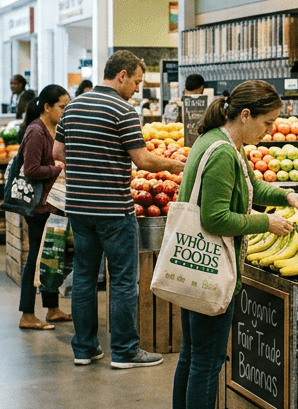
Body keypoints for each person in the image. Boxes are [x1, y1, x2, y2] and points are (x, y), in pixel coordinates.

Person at [171, 80, 298, 409]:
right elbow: (215, 218)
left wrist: (286, 196)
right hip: (213, 270)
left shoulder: (220, 143)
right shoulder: (222, 153)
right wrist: (266, 223)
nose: (269, 131)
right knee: (207, 361)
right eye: (267, 123)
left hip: (195, 269)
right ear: (245, 115)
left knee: (192, 355)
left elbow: (250, 188)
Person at [53, 50, 183, 368]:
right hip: (113, 209)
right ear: (121, 76)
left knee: (84, 277)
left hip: (79, 207)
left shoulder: (73, 107)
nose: (137, 89)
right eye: (136, 82)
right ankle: (125, 351)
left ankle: (84, 349)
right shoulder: (123, 111)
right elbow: (143, 160)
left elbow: (57, 152)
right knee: (124, 280)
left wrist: (86, 167)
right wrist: (177, 165)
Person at [15, 85, 71, 331]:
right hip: (39, 207)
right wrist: (57, 169)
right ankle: (27, 314)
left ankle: (52, 309)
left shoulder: (56, 128)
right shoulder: (36, 131)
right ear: (47, 107)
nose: (65, 111)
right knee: (36, 259)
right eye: (62, 107)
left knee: (52, 256)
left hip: (54, 204)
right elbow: (31, 169)